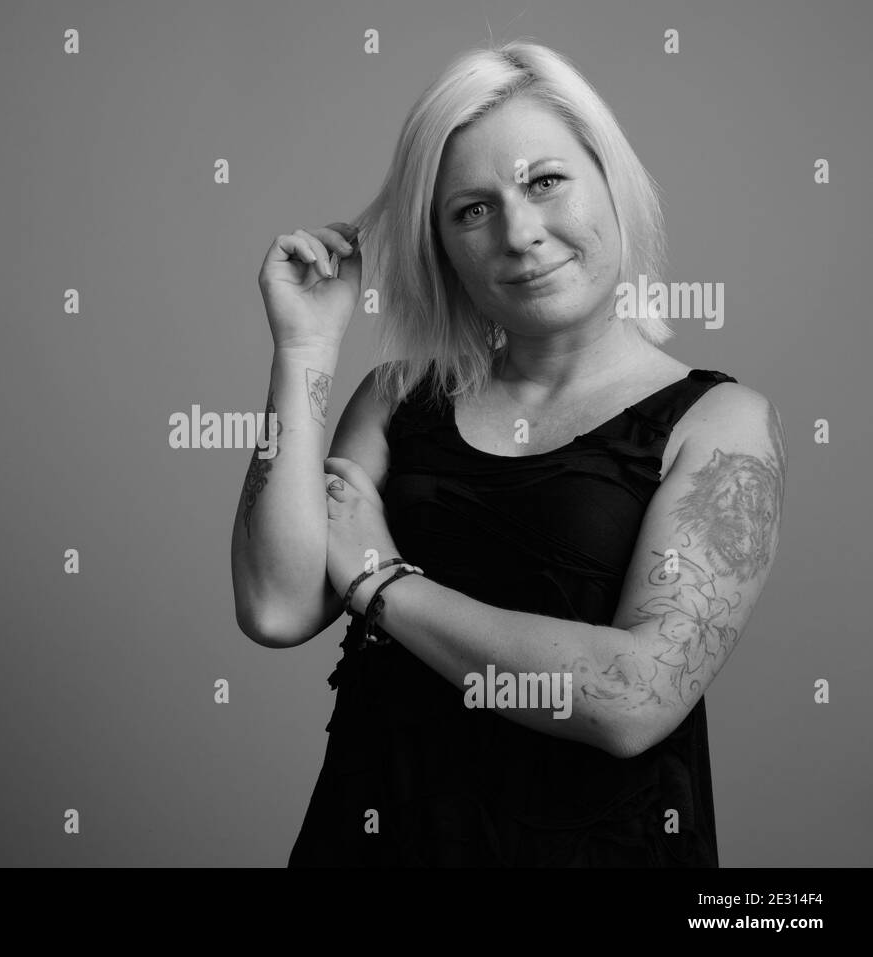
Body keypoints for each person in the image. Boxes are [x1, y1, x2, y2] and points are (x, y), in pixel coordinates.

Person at [229, 39, 786, 866]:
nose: (520, 232)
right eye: (473, 209)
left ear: (611, 180)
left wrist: (383, 582)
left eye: (544, 180)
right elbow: (276, 606)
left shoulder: (722, 424)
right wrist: (305, 350)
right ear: (443, 246)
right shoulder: (397, 397)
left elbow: (634, 697)